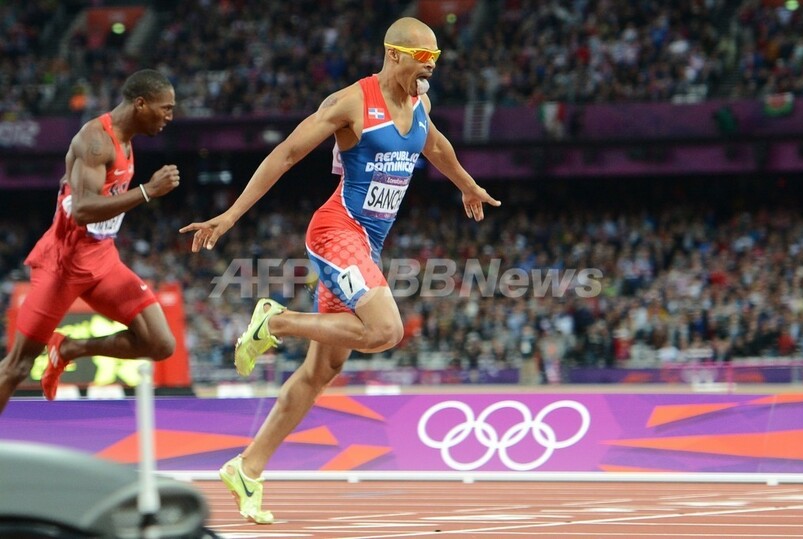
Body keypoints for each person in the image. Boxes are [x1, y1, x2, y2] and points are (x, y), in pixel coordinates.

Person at [180, 17, 501, 524]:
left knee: (321, 371)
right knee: (386, 330)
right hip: (336, 232)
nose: (430, 70)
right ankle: (276, 321)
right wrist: (231, 216)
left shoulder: (420, 104)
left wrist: (467, 184)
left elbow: (437, 147)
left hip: (366, 247)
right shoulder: (352, 102)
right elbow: (286, 154)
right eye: (422, 60)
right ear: (393, 54)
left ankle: (247, 468)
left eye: (435, 62)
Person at [0, 69, 181, 414]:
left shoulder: (124, 140)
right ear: (141, 104)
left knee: (161, 343)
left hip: (102, 260)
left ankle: (70, 349)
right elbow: (83, 210)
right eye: (166, 108)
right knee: (17, 366)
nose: (170, 117)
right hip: (63, 266)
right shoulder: (95, 140)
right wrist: (147, 191)